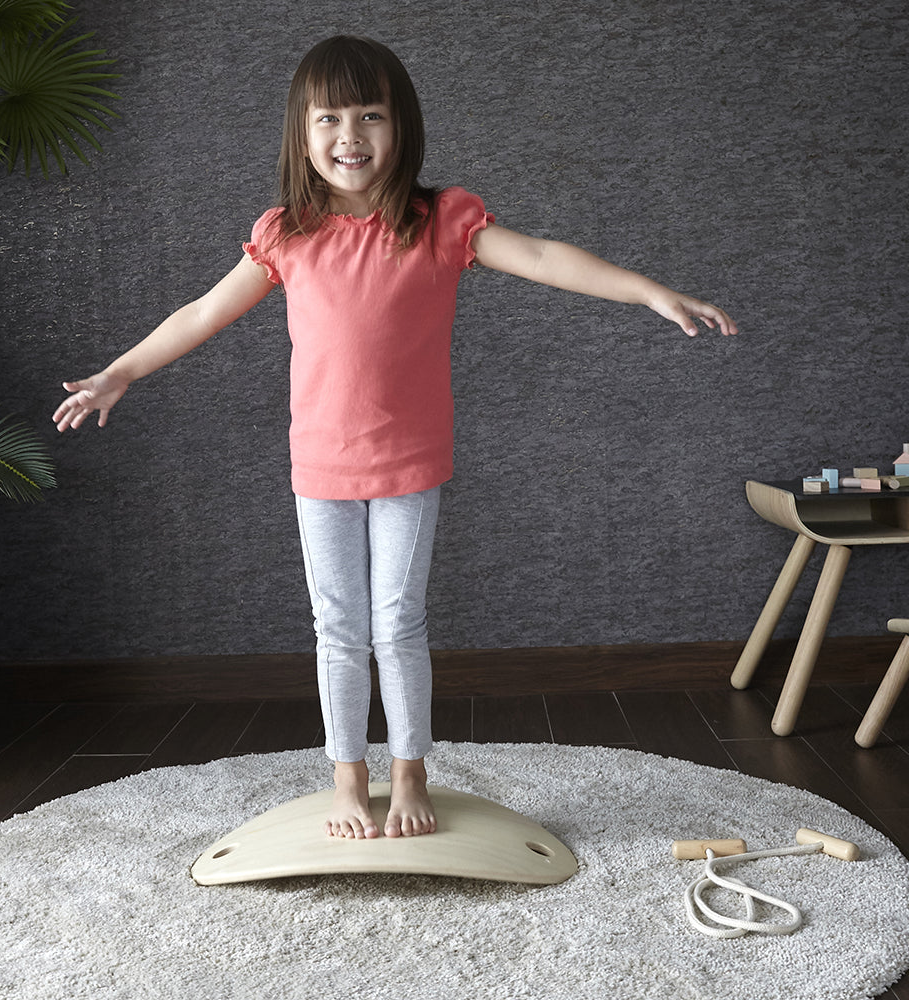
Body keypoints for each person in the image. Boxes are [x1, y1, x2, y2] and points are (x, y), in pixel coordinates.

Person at [53, 34, 737, 842]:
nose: (351, 136)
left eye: (371, 115)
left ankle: (409, 770)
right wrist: (122, 371)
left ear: (401, 125)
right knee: (337, 627)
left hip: (409, 465)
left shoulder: (442, 220)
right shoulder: (286, 233)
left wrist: (651, 294)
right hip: (320, 467)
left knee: (397, 622)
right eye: (330, 119)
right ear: (302, 136)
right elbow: (204, 313)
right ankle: (350, 778)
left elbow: (547, 256)